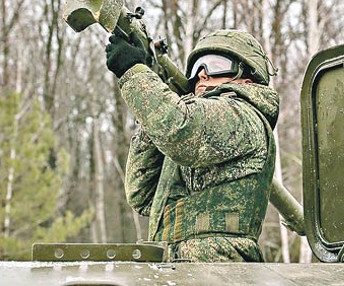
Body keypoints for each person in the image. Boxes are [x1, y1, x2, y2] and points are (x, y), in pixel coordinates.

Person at [105, 29, 279, 262]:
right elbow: (141, 195)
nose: (202, 75)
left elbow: (178, 128)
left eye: (216, 65)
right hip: (171, 267)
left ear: (247, 78)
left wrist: (134, 72)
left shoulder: (244, 116)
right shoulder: (192, 132)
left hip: (219, 273)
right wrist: (154, 107)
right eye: (197, 67)